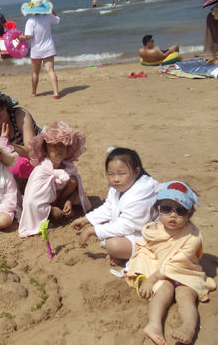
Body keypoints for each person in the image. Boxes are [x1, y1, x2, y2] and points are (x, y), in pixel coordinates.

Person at [126, 181, 216, 345]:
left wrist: (152, 279)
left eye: (180, 210)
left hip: (184, 272)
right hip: (160, 271)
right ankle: (154, 325)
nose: (172, 215)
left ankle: (188, 327)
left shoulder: (193, 236)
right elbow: (146, 249)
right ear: (158, 208)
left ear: (190, 213)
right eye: (166, 209)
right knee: (163, 291)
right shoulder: (153, 229)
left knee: (186, 296)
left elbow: (177, 263)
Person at [71, 148, 159, 266]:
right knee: (104, 224)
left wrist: (91, 230)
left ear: (137, 171)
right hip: (132, 228)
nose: (116, 179)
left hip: (150, 237)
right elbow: (109, 207)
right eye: (110, 174)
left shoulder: (143, 192)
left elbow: (126, 226)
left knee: (113, 245)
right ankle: (122, 254)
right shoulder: (118, 189)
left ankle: (126, 255)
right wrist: (86, 220)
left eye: (122, 173)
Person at [19, 122, 91, 237]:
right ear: (45, 148)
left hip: (58, 199)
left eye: (63, 145)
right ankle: (54, 212)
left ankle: (63, 205)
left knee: (73, 181)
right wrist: (51, 210)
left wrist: (69, 201)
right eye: (54, 145)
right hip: (46, 206)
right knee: (56, 214)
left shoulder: (68, 168)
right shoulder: (41, 171)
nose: (59, 149)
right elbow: (31, 202)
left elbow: (77, 189)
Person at [19, 0, 61, 99]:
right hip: (49, 48)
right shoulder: (48, 17)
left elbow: (28, 36)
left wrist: (21, 37)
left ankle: (34, 92)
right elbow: (58, 20)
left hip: (36, 50)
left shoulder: (31, 21)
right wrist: (51, 8)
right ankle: (56, 92)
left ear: (32, 8)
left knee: (35, 72)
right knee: (50, 70)